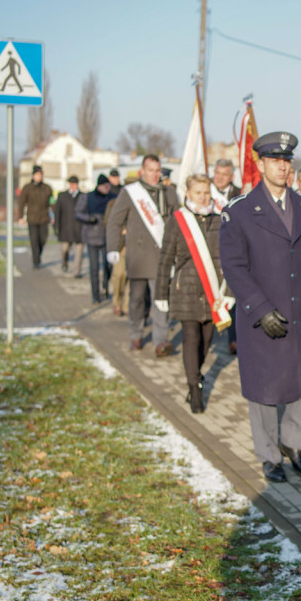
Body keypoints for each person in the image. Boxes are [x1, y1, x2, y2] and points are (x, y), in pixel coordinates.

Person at [219, 131, 301, 483]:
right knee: (265, 391)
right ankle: (270, 455)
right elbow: (234, 267)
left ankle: (295, 445)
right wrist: (259, 308)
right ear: (260, 164)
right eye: (275, 160)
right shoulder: (238, 212)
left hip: (300, 314)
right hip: (261, 316)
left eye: (287, 160)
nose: (282, 167)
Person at [155, 174, 232, 414]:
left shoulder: (220, 220)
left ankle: (195, 374)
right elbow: (165, 259)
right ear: (187, 194)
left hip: (213, 292)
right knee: (191, 337)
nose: (203, 197)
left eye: (206, 192)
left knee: (207, 339)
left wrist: (229, 291)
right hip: (185, 289)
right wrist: (160, 294)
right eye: (198, 192)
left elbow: (231, 258)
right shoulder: (177, 220)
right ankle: (195, 387)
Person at [106, 154, 179, 355]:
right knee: (137, 300)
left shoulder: (170, 193)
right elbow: (115, 221)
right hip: (138, 257)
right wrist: (113, 247)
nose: (155, 175)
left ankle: (160, 340)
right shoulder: (130, 193)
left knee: (161, 299)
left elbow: (179, 223)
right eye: (150, 170)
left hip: (162, 256)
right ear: (142, 171)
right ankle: (136, 334)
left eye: (157, 171)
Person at [211, 158, 241, 356]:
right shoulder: (206, 192)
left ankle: (234, 339)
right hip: (209, 250)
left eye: (224, 174)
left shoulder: (240, 194)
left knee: (233, 297)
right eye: (217, 173)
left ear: (231, 177)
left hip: (231, 248)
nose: (219, 178)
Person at [76, 174, 116, 304]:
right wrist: (89, 219)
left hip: (107, 237)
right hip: (92, 236)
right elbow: (78, 212)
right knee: (94, 268)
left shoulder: (112, 198)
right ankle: (95, 295)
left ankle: (105, 286)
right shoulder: (88, 197)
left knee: (107, 266)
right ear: (99, 186)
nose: (107, 188)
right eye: (105, 186)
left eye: (108, 186)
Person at [18, 165, 53, 269]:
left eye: (40, 175)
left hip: (44, 218)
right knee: (34, 240)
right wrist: (20, 217)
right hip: (32, 218)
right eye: (37, 175)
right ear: (33, 176)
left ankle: (38, 255)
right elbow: (21, 203)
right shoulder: (27, 188)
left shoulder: (47, 188)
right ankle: (36, 261)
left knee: (43, 239)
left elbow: (52, 202)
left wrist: (55, 214)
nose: (39, 177)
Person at [54, 176, 85, 277]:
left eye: (75, 184)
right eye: (71, 184)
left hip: (79, 228)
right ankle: (65, 261)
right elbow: (57, 212)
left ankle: (77, 271)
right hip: (66, 228)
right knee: (65, 249)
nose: (73, 186)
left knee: (79, 251)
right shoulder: (62, 196)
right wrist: (56, 226)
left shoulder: (83, 196)